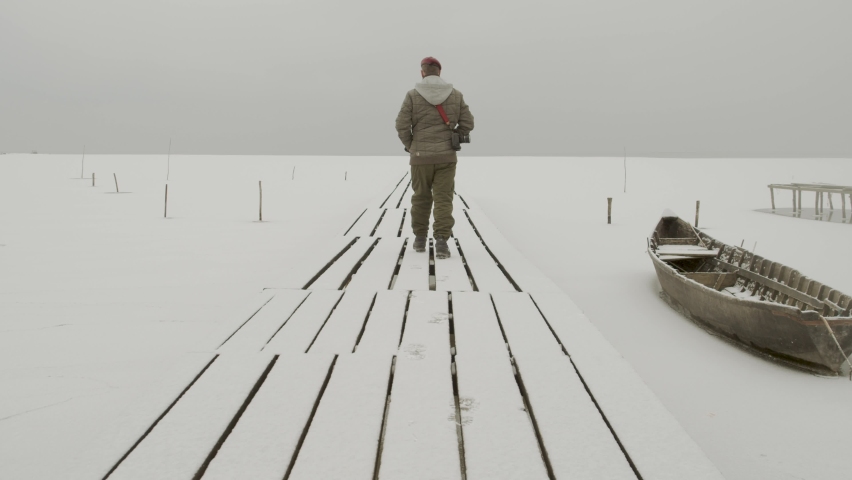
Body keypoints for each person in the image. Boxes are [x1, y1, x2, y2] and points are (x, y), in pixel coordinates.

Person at [395, 56, 474, 259]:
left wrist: (411, 145)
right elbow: (468, 122)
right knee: (443, 198)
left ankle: (420, 239)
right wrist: (455, 134)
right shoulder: (455, 95)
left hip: (420, 157)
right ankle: (441, 242)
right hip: (446, 157)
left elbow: (401, 125)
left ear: (422, 72)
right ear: (439, 72)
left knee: (420, 197)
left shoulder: (412, 95)